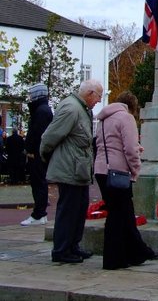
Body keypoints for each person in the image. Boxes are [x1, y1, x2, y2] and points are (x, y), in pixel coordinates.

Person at [94, 90, 158, 270]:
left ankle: (136, 252)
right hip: (118, 172)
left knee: (123, 213)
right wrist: (136, 169)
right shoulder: (126, 118)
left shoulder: (103, 119)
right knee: (118, 215)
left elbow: (104, 143)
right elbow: (130, 149)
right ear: (132, 106)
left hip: (101, 169)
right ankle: (114, 259)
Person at [40, 79, 103, 264]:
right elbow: (50, 136)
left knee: (78, 209)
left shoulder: (82, 109)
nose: (98, 101)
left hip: (79, 170)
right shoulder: (71, 108)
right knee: (68, 210)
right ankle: (61, 250)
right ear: (90, 93)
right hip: (69, 169)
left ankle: (73, 246)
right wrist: (45, 155)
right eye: (98, 97)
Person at [20, 83, 53, 226]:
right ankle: (39, 213)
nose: (29, 97)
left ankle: (39, 214)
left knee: (38, 182)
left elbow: (38, 134)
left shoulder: (41, 111)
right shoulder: (42, 110)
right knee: (38, 182)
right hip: (38, 153)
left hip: (37, 154)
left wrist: (32, 151)